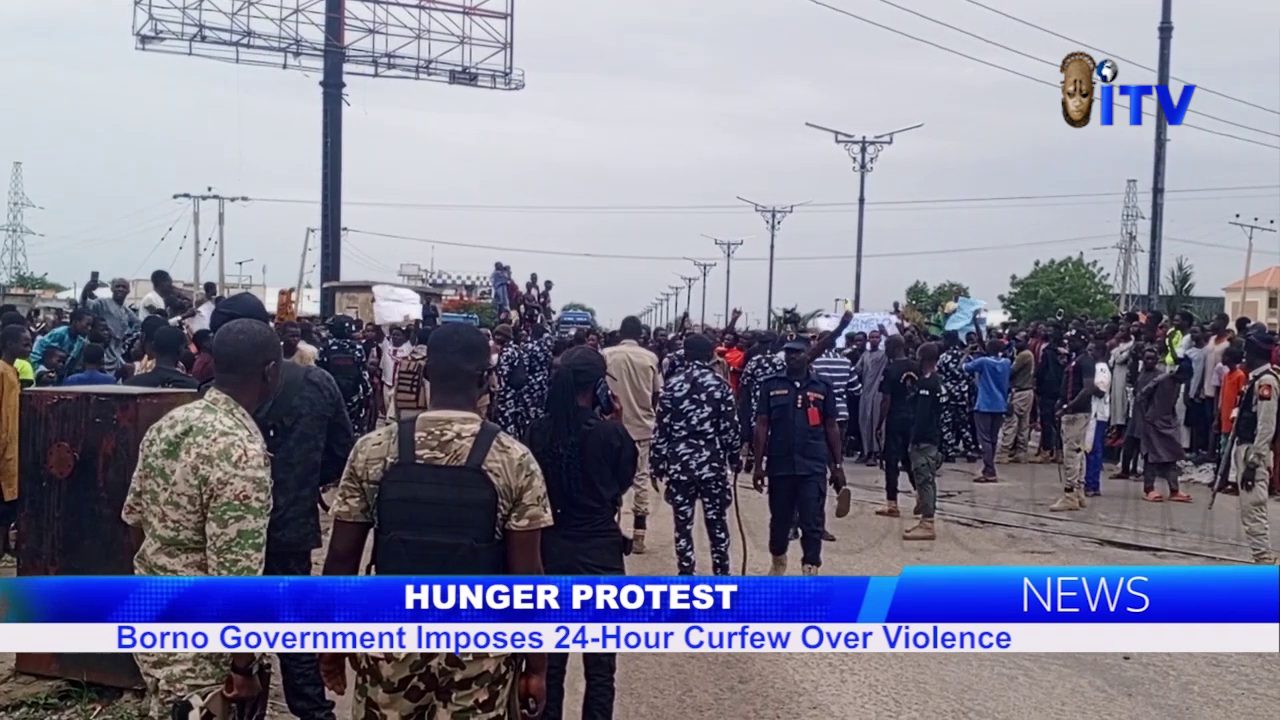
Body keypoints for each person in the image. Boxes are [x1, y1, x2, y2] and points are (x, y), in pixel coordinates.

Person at [321, 323, 550, 718]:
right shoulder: (514, 459)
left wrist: (329, 646)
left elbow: (342, 557)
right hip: (478, 653)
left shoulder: (375, 449)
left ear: (426, 375)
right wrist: (537, 667)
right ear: (485, 379)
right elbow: (527, 575)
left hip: (390, 642)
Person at [121, 318, 280, 719]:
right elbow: (237, 579)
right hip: (205, 656)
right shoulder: (239, 451)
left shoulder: (171, 424)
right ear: (270, 371)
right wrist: (242, 668)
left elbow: (136, 521)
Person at [207, 295, 353, 720]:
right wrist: (300, 482)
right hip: (290, 532)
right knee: (298, 652)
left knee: (230, 645)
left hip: (224, 542)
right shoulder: (318, 383)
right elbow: (341, 452)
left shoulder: (213, 397)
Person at [525, 347, 635, 719]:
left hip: (550, 553)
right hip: (601, 557)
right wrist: (618, 425)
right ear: (598, 388)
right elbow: (620, 485)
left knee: (549, 665)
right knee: (600, 669)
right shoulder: (609, 435)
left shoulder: (537, 432)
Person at [752, 336, 847, 576]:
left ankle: (810, 567)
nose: (792, 356)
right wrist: (757, 465)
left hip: (813, 464)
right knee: (780, 520)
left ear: (808, 355)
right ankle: (778, 562)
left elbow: (831, 426)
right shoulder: (770, 385)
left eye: (797, 352)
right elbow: (762, 425)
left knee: (812, 520)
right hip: (780, 463)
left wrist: (837, 465)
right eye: (788, 352)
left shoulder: (822, 387)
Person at [652, 334, 739, 575]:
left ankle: (686, 574)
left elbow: (662, 429)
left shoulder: (672, 385)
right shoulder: (721, 386)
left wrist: (657, 463)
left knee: (683, 525)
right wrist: (734, 458)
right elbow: (730, 429)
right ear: (711, 355)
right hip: (712, 465)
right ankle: (722, 574)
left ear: (686, 354)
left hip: (680, 466)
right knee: (717, 523)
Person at [602, 316, 662, 554]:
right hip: (641, 426)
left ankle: (610, 528)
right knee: (640, 479)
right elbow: (657, 394)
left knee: (608, 478)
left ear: (620, 333)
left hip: (611, 426)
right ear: (640, 335)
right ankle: (639, 534)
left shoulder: (607, 355)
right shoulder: (651, 358)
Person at [1231, 332, 1278, 564]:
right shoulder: (1256, 379)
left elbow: (1266, 426)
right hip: (1246, 448)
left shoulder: (1266, 382)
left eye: (1247, 351)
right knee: (1249, 510)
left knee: (1254, 509)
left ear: (1255, 353)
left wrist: (1254, 461)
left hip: (1254, 452)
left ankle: (1264, 563)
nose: (1244, 356)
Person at [1052, 330, 1099, 512]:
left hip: (1077, 413)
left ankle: (1070, 494)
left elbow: (1087, 388)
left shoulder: (1085, 361)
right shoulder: (1076, 360)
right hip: (1074, 411)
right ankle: (1078, 492)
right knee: (1077, 452)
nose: (1068, 342)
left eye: (1072, 340)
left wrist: (1068, 406)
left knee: (1071, 453)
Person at [1137, 358, 1193, 503]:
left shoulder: (1177, 384)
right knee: (1152, 457)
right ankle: (1148, 489)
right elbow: (1141, 396)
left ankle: (1174, 490)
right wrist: (1146, 416)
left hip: (1168, 423)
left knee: (1172, 455)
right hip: (1152, 422)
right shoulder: (1161, 380)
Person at [904, 341, 944, 540]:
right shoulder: (935, 381)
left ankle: (927, 523)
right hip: (934, 436)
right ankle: (926, 518)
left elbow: (922, 415)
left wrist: (914, 439)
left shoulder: (928, 385)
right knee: (925, 479)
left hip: (925, 438)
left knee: (924, 479)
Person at [875, 335, 919, 515]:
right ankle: (920, 497)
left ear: (893, 347)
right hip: (913, 418)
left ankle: (892, 504)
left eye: (886, 346)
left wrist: (879, 423)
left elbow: (886, 400)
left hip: (895, 419)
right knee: (911, 460)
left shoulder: (890, 370)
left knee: (891, 461)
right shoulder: (916, 366)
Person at [0, 324, 31, 563]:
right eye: (25, 342)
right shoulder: (2, 372)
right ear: (9, 344)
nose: (29, 347)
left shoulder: (12, 371)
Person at [964, 339, 1011, 482]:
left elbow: (965, 367)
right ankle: (989, 467)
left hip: (984, 405)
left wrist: (967, 353)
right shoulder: (1006, 363)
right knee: (993, 438)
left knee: (984, 439)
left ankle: (989, 469)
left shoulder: (983, 362)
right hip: (1000, 405)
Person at [319, 315, 372, 434]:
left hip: (331, 398)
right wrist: (367, 394)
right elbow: (363, 374)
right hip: (352, 398)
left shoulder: (325, 347)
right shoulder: (356, 348)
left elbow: (320, 373)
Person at [85, 277, 141, 373]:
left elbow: (139, 324)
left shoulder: (126, 311)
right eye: (117, 286)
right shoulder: (103, 303)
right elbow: (85, 304)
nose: (120, 289)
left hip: (117, 351)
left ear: (128, 291)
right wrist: (86, 290)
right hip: (102, 348)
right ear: (112, 289)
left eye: (123, 287)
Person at [937, 331, 978, 463]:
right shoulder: (966, 357)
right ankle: (970, 450)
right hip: (962, 395)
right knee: (964, 424)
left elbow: (938, 376)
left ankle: (949, 451)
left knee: (947, 423)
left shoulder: (943, 357)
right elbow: (972, 378)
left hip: (947, 394)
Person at [997, 332, 1035, 463]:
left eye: (1019, 341)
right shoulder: (1025, 354)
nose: (1016, 343)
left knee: (1011, 421)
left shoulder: (1024, 355)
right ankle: (1021, 452)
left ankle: (1004, 452)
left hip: (1020, 391)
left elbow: (1011, 371)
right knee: (1023, 424)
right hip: (1026, 391)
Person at [125, 327, 200, 390]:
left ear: (153, 347)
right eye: (185, 347)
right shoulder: (193, 386)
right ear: (181, 351)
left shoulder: (132, 384)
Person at [853, 329, 887, 465]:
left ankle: (875, 452)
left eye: (876, 337)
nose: (874, 339)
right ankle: (866, 451)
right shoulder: (865, 355)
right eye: (871, 337)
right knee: (864, 421)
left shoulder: (884, 355)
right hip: (866, 393)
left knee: (876, 422)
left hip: (878, 393)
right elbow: (856, 370)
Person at [1084, 339, 1113, 496]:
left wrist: (1087, 386)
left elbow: (1100, 391)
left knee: (1094, 449)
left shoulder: (1101, 369)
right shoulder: (1094, 367)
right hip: (1093, 413)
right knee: (1090, 448)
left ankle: (1092, 484)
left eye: (1091, 350)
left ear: (1100, 352)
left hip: (1098, 413)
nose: (1089, 354)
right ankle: (1090, 482)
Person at [30, 307, 91, 379]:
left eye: (91, 325)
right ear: (75, 321)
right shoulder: (59, 333)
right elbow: (37, 352)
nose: (89, 328)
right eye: (87, 324)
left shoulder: (81, 342)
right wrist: (40, 371)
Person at [1033, 330, 1066, 463]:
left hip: (1047, 390)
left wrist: (1037, 385)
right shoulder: (1066, 354)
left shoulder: (1048, 353)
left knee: (1047, 422)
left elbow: (1041, 371)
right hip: (1061, 390)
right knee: (1058, 424)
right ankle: (1059, 453)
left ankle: (1046, 452)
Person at [491, 324, 527, 436]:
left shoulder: (506, 352)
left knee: (505, 423)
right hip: (516, 392)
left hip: (506, 395)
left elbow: (502, 376)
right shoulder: (516, 349)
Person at [379, 325, 415, 422]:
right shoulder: (386, 346)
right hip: (387, 383)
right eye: (393, 335)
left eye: (398, 335)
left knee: (393, 414)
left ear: (404, 337)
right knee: (388, 409)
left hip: (400, 385)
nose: (395, 337)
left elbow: (414, 332)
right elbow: (379, 332)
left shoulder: (408, 347)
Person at [0, 312, 35, 387]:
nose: (30, 349)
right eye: (25, 345)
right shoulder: (2, 371)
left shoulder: (14, 370)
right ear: (10, 344)